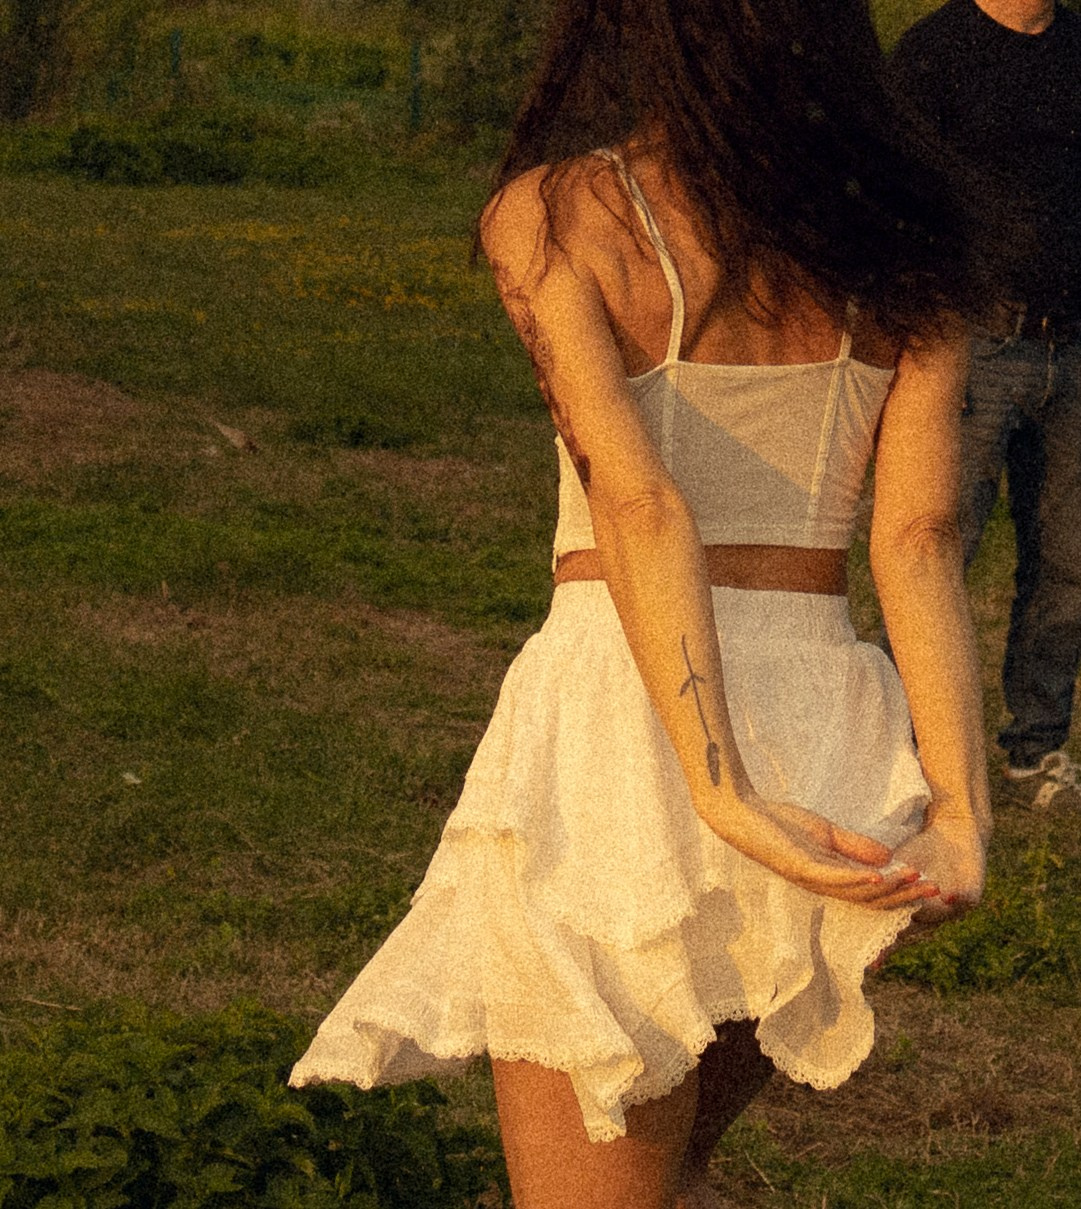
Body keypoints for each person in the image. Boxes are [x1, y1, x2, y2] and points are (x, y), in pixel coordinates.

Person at [290, 3, 990, 1206]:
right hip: (827, 721)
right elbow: (919, 539)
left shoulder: (560, 213)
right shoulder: (908, 238)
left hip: (630, 715)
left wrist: (717, 792)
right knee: (663, 1171)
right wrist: (961, 814)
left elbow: (644, 503)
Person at [889, 0, 1081, 810]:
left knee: (1071, 562)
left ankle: (1034, 749)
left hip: (1073, 348)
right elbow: (894, 195)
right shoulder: (934, 52)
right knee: (934, 549)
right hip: (971, 343)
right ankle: (902, 749)